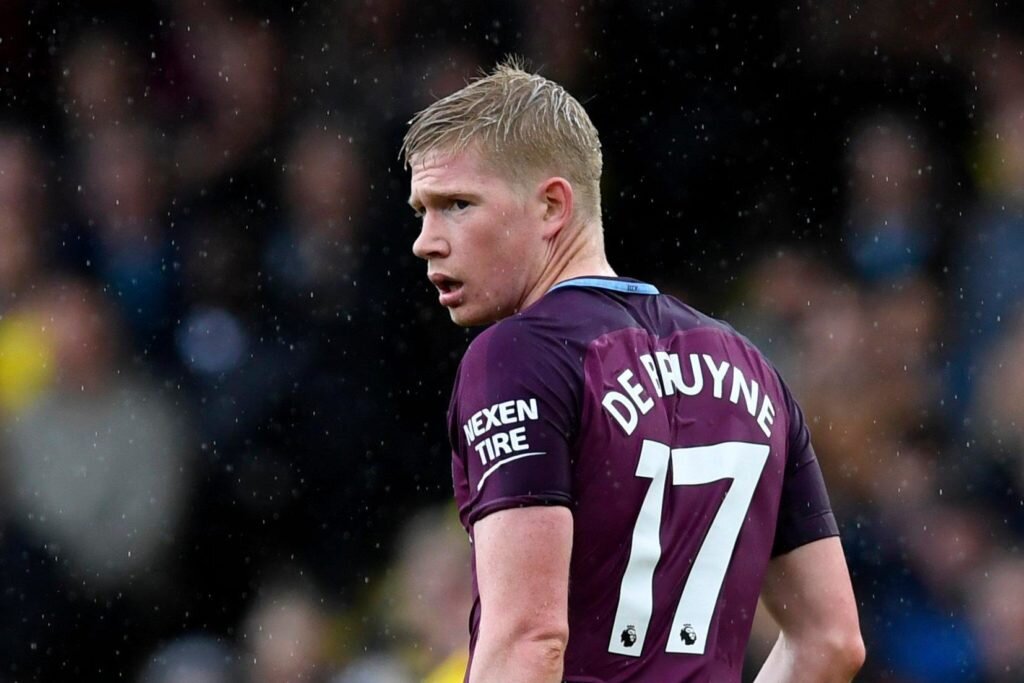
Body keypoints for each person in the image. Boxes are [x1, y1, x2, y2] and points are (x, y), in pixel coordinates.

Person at [401, 60, 865, 683]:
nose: (426, 240)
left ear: (552, 206)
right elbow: (832, 640)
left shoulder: (517, 356)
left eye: (457, 204)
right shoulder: (750, 365)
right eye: (421, 211)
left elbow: (528, 639)